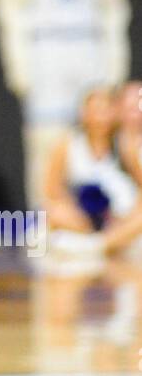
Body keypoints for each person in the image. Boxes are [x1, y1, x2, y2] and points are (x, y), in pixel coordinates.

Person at [42, 87, 142, 273]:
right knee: (52, 211)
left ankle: (98, 246)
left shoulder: (125, 144)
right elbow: (52, 191)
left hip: (120, 218)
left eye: (106, 110)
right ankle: (102, 244)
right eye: (95, 110)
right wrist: (78, 214)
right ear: (84, 113)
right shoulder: (67, 145)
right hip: (83, 218)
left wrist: (124, 218)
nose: (100, 117)